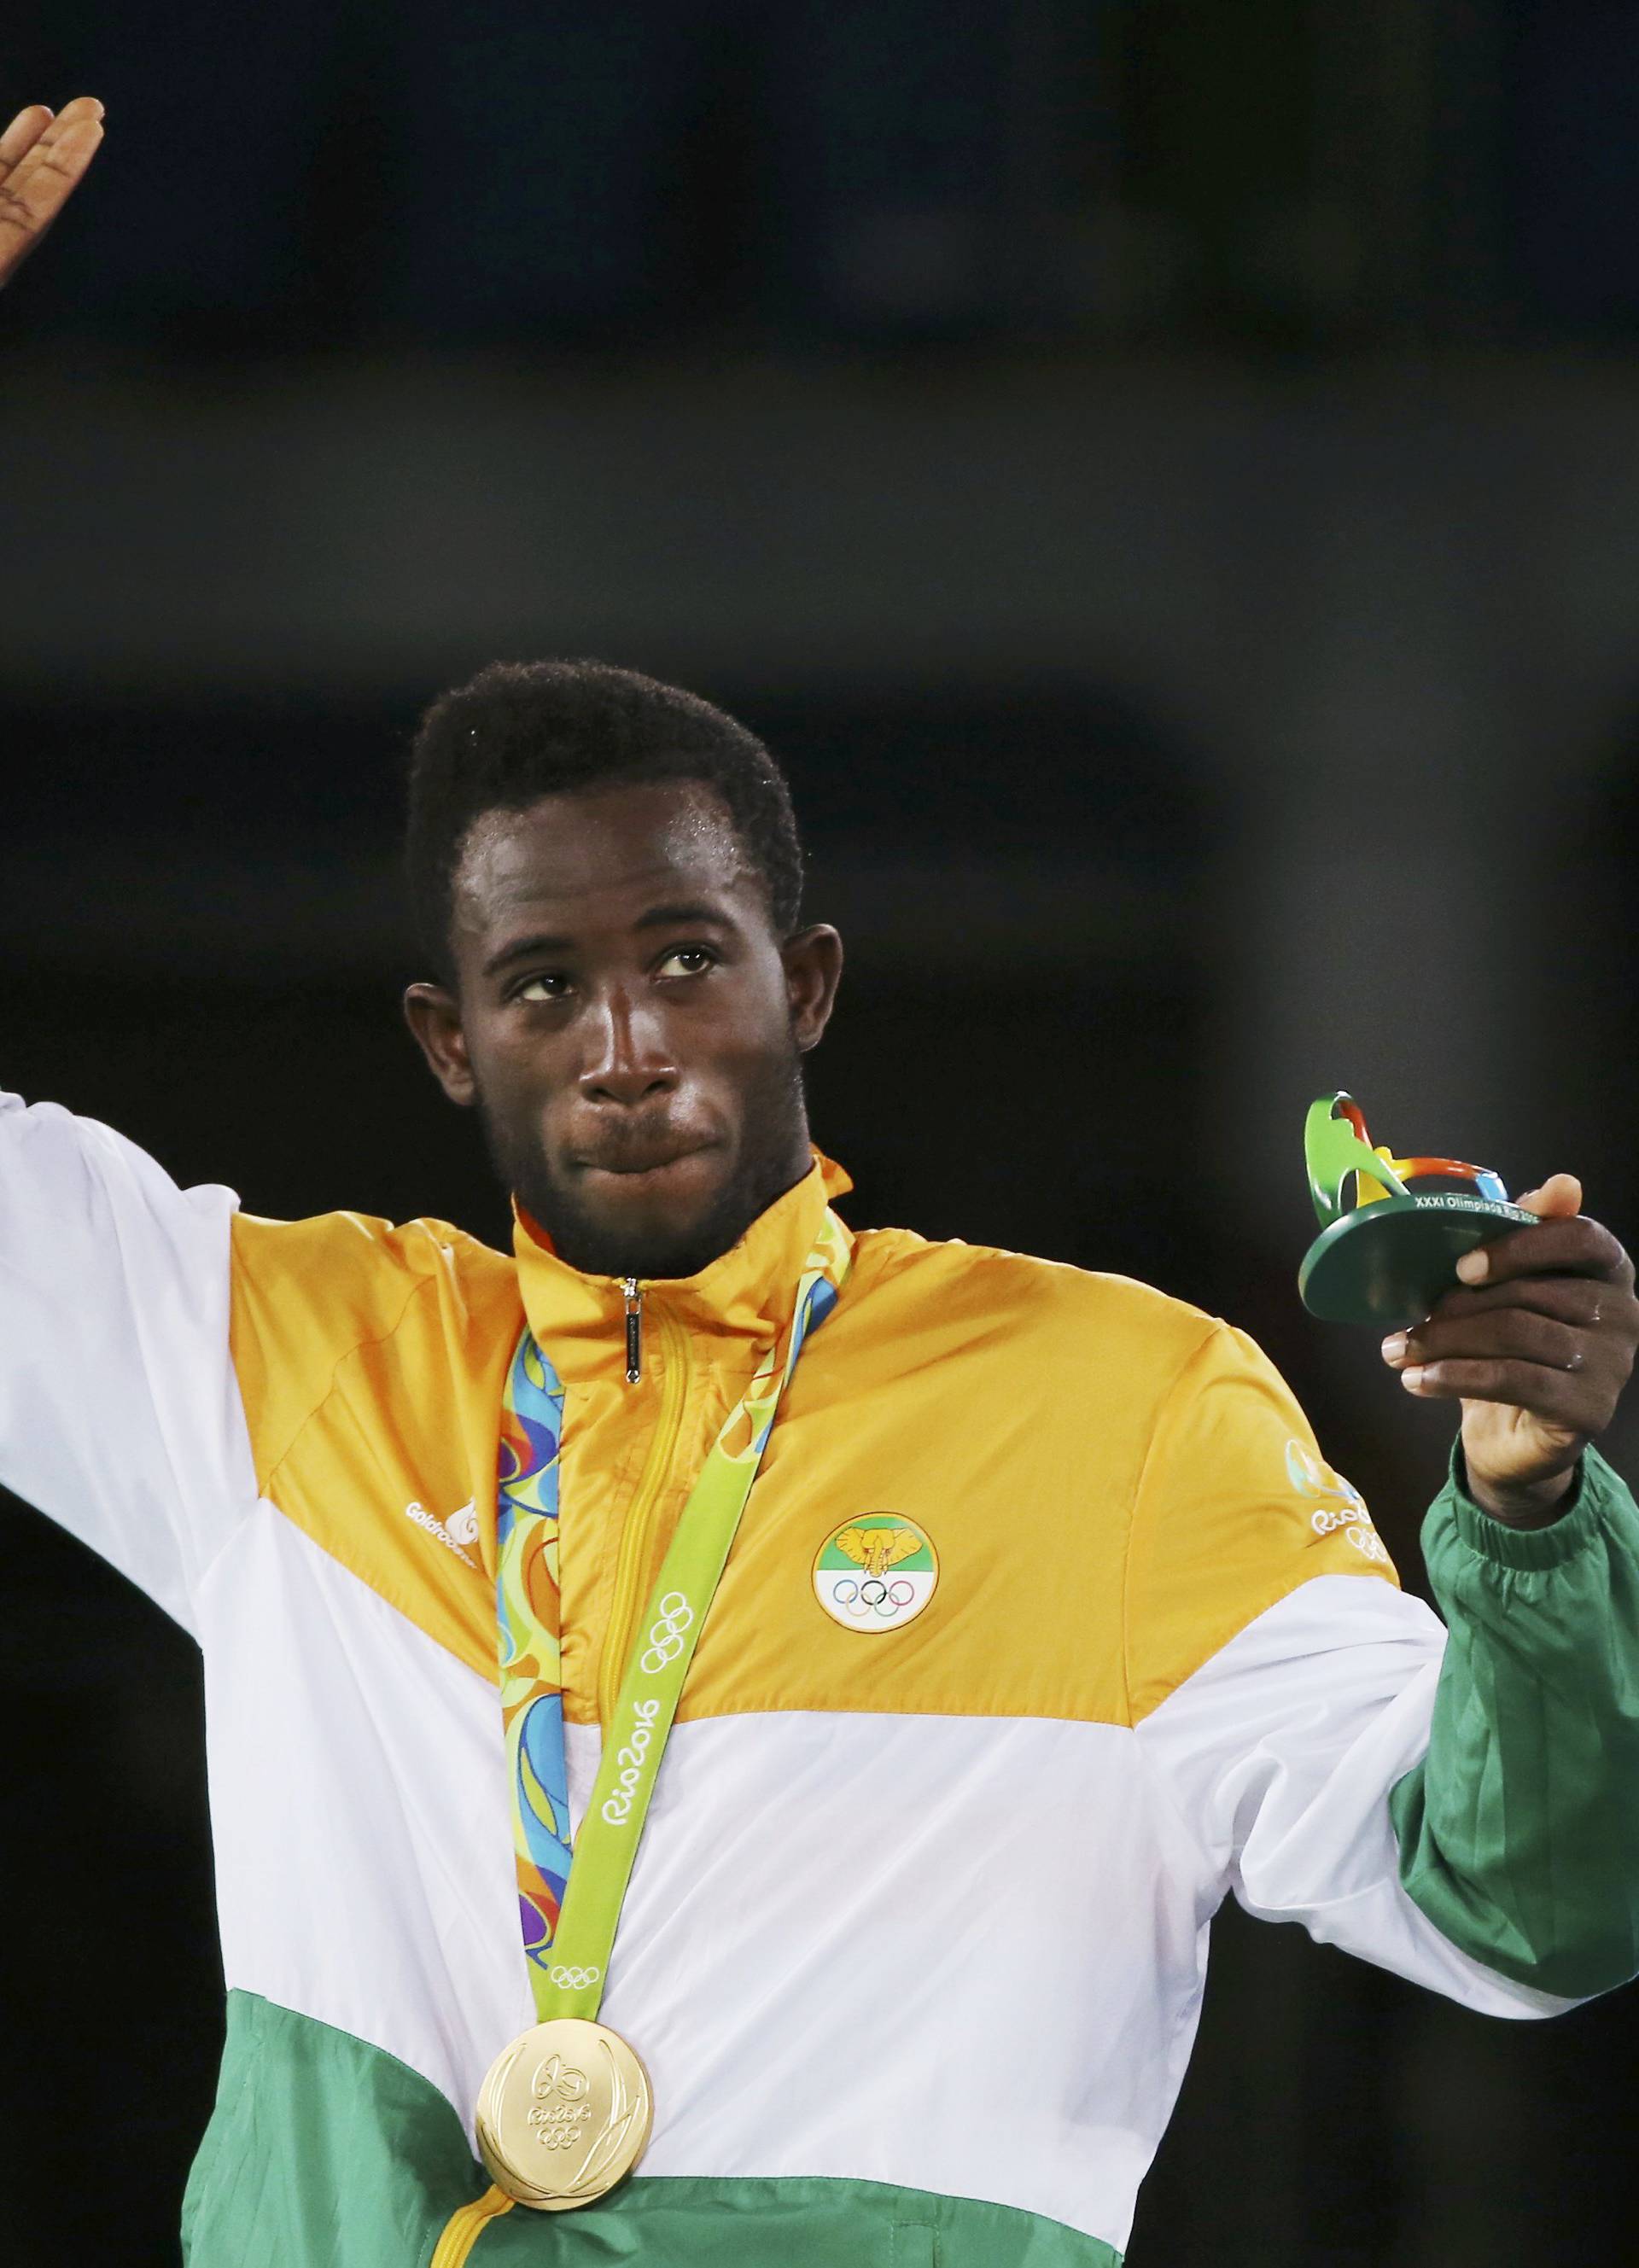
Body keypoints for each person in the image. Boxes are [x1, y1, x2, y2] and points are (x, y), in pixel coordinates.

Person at [6, 98, 1639, 2268]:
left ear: (811, 984)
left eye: (690, 961)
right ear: (446, 1039)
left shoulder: (1124, 1414)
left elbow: (1526, 1917)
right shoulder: (267, 1365)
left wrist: (1531, 1527)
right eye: (541, 985)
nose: (627, 1041)